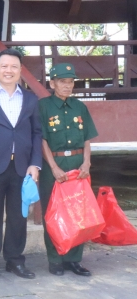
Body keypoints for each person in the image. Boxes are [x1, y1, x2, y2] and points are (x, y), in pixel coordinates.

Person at [0, 49, 41, 281]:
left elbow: (36, 133)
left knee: (18, 216)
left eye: (14, 67)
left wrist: (35, 164)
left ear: (20, 71)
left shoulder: (31, 99)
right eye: (4, 66)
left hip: (22, 168)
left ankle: (14, 260)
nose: (8, 71)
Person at [38, 63, 98, 277]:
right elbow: (42, 139)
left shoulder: (80, 106)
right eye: (62, 81)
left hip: (77, 165)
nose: (67, 86)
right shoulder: (43, 106)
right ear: (52, 83)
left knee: (78, 214)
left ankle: (74, 259)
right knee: (52, 214)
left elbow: (87, 138)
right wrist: (53, 168)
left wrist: (87, 163)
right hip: (53, 168)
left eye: (70, 81)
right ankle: (55, 259)